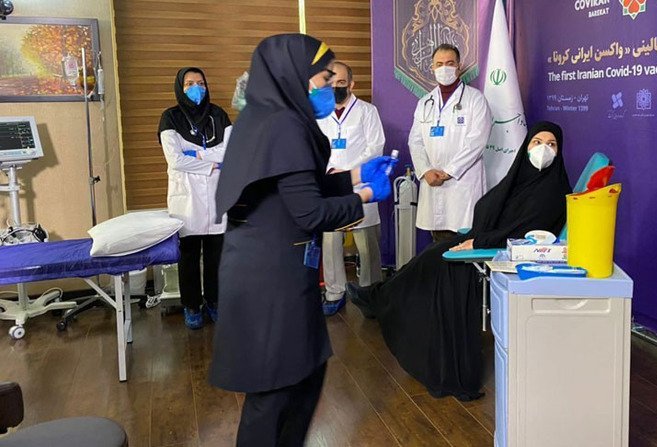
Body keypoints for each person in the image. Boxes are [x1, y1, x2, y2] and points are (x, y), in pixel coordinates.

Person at [209, 34, 395, 447]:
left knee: (306, 373)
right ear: (294, 75)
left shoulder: (268, 119)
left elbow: (299, 187)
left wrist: (356, 175)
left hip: (275, 268)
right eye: (324, 78)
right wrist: (365, 196)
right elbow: (310, 212)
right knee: (275, 390)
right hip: (269, 278)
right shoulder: (283, 126)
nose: (330, 87)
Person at [347, 121, 572, 401]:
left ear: (559, 151)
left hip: (493, 250)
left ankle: (378, 299)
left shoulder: (552, 190)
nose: (543, 149)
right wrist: (479, 236)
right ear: (526, 147)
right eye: (537, 142)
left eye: (551, 144)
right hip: (483, 238)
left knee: (431, 265)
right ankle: (378, 297)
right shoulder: (521, 177)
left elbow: (525, 232)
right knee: (425, 260)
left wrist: (480, 242)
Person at [158, 67, 232, 330]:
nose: (196, 88)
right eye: (189, 83)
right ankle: (191, 305)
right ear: (180, 87)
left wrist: (196, 155)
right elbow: (175, 160)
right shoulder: (170, 117)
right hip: (186, 198)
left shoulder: (218, 115)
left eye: (200, 82)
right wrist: (212, 162)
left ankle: (214, 301)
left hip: (216, 194)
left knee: (216, 255)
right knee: (188, 256)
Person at [317, 61, 386, 316]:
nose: (336, 87)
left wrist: (348, 173)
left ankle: (370, 295)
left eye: (341, 82)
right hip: (331, 185)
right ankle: (334, 292)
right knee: (330, 242)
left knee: (367, 246)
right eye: (331, 83)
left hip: (361, 185)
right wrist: (328, 173)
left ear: (351, 84)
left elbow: (375, 148)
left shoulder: (367, 111)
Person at [408, 44, 493, 244]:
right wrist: (425, 171)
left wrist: (448, 171)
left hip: (462, 185)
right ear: (432, 67)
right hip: (432, 182)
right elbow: (415, 140)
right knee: (438, 243)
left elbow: (477, 141)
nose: (444, 68)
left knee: (464, 241)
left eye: (449, 63)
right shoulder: (425, 102)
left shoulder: (475, 99)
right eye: (439, 64)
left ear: (459, 66)